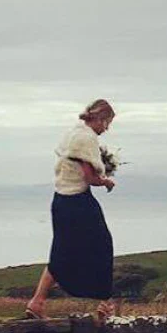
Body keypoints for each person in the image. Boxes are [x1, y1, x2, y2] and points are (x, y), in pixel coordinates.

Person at [26, 99, 117, 321]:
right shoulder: (86, 138)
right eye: (107, 123)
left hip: (60, 201)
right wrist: (105, 181)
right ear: (100, 118)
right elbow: (89, 176)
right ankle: (105, 304)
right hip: (78, 202)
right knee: (103, 246)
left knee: (61, 252)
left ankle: (37, 302)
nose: (106, 128)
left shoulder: (73, 133)